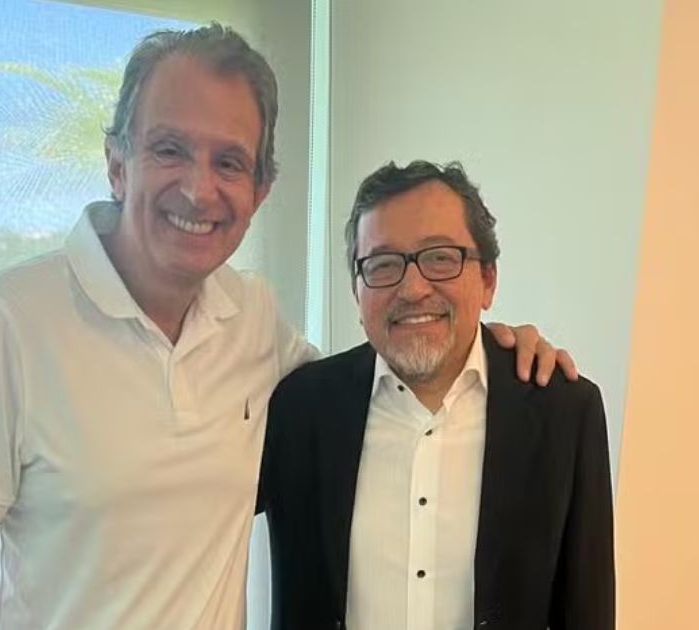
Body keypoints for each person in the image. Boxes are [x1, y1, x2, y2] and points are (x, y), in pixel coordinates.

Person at [0, 25, 577, 630]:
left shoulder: (253, 319)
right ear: (117, 162)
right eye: (169, 149)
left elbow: (369, 380)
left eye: (229, 162)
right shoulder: (6, 322)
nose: (199, 189)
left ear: (260, 190)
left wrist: (486, 347)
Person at [260, 161, 614, 630]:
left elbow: (587, 609)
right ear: (356, 293)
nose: (412, 288)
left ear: (487, 280)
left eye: (441, 258)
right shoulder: (299, 408)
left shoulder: (564, 412)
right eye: (383, 264)